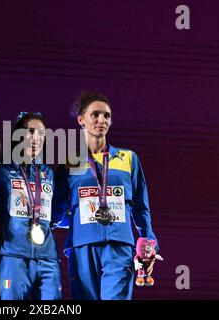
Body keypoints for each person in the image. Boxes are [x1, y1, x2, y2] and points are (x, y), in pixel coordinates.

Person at [53, 91, 159, 300]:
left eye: (107, 116)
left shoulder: (128, 158)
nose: (102, 120)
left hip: (120, 246)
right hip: (82, 247)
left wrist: (149, 243)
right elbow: (57, 210)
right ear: (81, 120)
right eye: (95, 115)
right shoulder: (70, 163)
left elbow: (141, 208)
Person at [0, 112, 63, 300]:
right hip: (13, 255)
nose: (36, 138)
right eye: (30, 131)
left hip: (47, 257)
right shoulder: (3, 171)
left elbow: (56, 213)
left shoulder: (48, 173)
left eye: (41, 133)